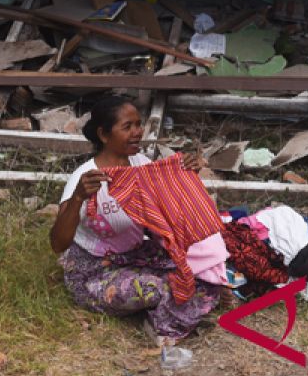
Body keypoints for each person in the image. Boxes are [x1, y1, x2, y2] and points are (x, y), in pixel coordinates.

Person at [50, 94, 222, 345]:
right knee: (164, 288)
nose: (138, 132)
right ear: (104, 134)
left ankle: (175, 307)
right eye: (127, 127)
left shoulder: (140, 164)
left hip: (137, 256)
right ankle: (162, 321)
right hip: (94, 272)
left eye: (138, 125)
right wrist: (78, 199)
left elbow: (166, 208)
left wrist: (184, 174)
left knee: (198, 271)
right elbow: (57, 243)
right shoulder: (85, 179)